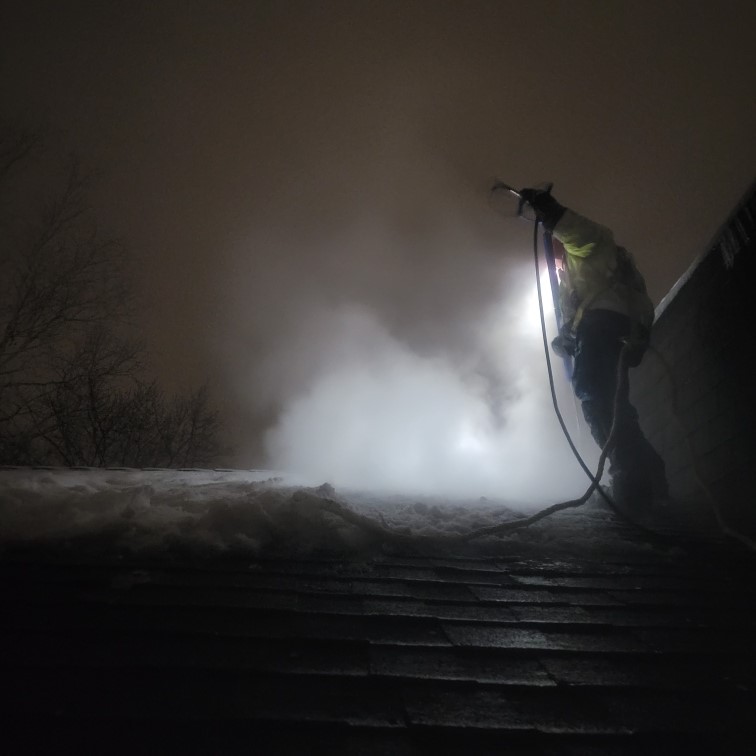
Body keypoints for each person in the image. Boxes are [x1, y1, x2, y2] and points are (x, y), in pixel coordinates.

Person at [518, 187, 668, 509]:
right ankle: (650, 476)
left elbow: (577, 231)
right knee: (612, 402)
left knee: (594, 394)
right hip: (611, 327)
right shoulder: (575, 272)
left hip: (606, 324)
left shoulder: (594, 245)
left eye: (557, 240)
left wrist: (552, 211)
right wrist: (569, 337)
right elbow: (582, 308)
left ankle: (632, 480)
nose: (556, 247)